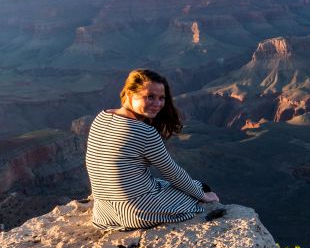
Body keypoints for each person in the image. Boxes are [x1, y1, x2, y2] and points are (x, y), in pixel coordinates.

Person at [86, 68, 220, 230]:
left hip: (104, 212)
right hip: (137, 212)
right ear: (129, 94)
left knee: (182, 185)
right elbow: (173, 173)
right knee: (200, 188)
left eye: (161, 98)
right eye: (149, 97)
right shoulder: (144, 132)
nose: (157, 104)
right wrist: (203, 196)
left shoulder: (102, 116)